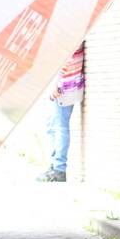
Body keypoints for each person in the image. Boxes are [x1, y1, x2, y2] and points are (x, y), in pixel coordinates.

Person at [40, 43, 85, 183]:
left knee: (60, 127)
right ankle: (55, 166)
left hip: (63, 89)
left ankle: (59, 169)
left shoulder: (75, 35)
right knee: (51, 126)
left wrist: (57, 86)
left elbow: (66, 61)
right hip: (61, 88)